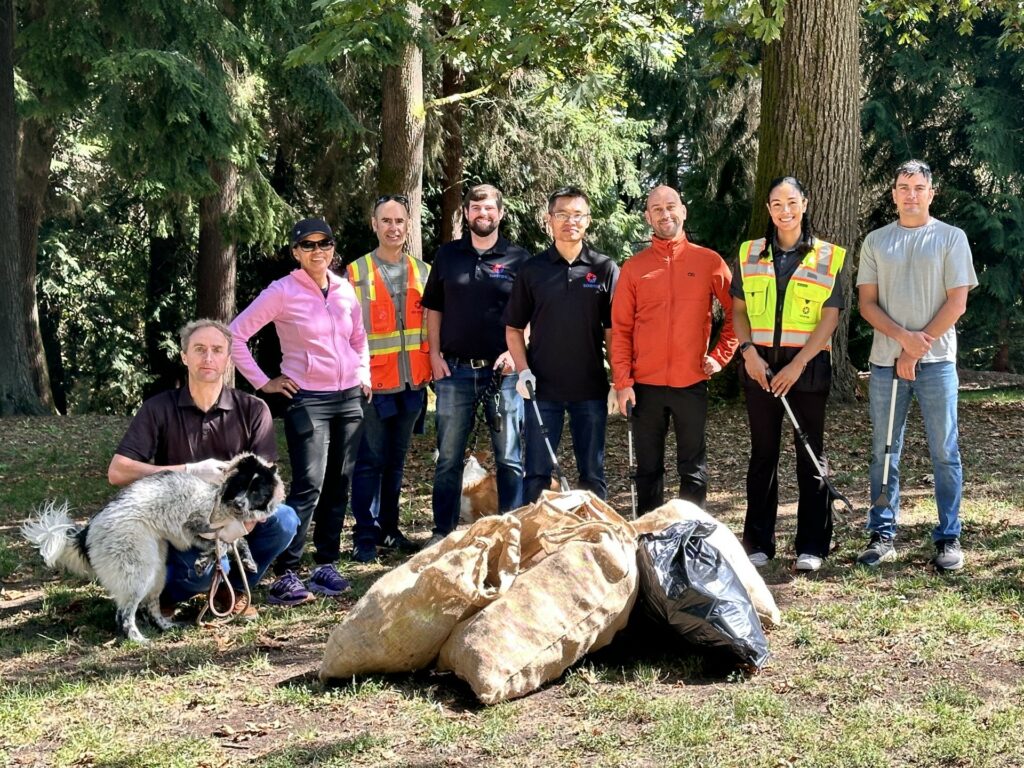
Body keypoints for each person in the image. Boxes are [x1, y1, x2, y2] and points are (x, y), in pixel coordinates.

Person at [107, 319, 299, 619]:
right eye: (199, 349)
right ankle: (165, 596)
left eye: (216, 350)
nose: (208, 358)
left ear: (228, 358)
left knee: (285, 520)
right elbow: (118, 471)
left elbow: (268, 485)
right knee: (202, 572)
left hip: (235, 518)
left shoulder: (253, 408)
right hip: (180, 524)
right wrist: (189, 470)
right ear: (184, 356)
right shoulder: (158, 408)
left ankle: (231, 590)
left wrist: (242, 525)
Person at [230, 217, 370, 605]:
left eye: (323, 243)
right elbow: (236, 334)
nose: (317, 251)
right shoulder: (282, 291)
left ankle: (326, 563)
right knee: (310, 484)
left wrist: (364, 374)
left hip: (349, 399)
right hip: (309, 400)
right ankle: (287, 571)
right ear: (295, 252)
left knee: (340, 482)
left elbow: (359, 337)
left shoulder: (343, 289)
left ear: (332, 248)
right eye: (307, 245)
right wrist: (264, 381)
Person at [856, 159, 977, 571]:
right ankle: (882, 533)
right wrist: (903, 342)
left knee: (945, 452)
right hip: (886, 365)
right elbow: (867, 304)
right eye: (903, 187)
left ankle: (948, 537)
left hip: (937, 364)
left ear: (931, 193)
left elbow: (957, 302)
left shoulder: (951, 238)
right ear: (893, 194)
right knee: (884, 451)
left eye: (919, 187)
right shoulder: (876, 241)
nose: (911, 194)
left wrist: (914, 349)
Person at [731, 176, 848, 572]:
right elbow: (739, 311)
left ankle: (813, 545)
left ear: (805, 203)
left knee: (810, 454)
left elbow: (829, 318)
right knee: (762, 454)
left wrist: (797, 366)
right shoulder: (749, 254)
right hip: (759, 368)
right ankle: (758, 542)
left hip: (807, 370)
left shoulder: (828, 256)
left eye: (792, 202)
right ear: (768, 209)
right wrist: (748, 353)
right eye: (777, 203)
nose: (785, 210)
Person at [611, 185, 737, 513]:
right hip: (644, 387)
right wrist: (623, 382)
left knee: (692, 469)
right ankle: (650, 538)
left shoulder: (709, 261)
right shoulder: (634, 267)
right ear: (647, 217)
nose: (664, 214)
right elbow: (621, 329)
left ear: (684, 210)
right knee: (648, 470)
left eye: (671, 207)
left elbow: (739, 314)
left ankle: (689, 536)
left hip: (691, 382)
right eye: (656, 209)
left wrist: (720, 355)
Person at [421, 184, 530, 543]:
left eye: (489, 209)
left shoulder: (518, 258)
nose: (483, 214)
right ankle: (443, 532)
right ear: (466, 213)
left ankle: (509, 531)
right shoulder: (447, 256)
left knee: (509, 457)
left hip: (504, 373)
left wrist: (516, 353)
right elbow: (433, 308)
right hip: (454, 371)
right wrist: (434, 355)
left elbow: (531, 314)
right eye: (475, 208)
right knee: (449, 458)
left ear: (500, 213)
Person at [505, 186, 619, 502]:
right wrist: (523, 371)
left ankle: (595, 543)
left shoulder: (604, 268)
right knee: (537, 475)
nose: (570, 221)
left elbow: (613, 331)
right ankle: (532, 545)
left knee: (592, 476)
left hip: (591, 389)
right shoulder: (532, 269)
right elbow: (513, 328)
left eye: (578, 214)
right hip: (542, 389)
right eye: (562, 214)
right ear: (549, 220)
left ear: (588, 220)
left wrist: (617, 381)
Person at [346, 195, 430, 562]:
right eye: (386, 221)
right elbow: (343, 330)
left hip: (413, 384)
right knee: (369, 461)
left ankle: (389, 529)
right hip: (373, 385)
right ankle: (364, 535)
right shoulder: (355, 273)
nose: (393, 228)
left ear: (408, 225)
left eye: (400, 221)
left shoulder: (423, 272)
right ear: (374, 224)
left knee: (395, 462)